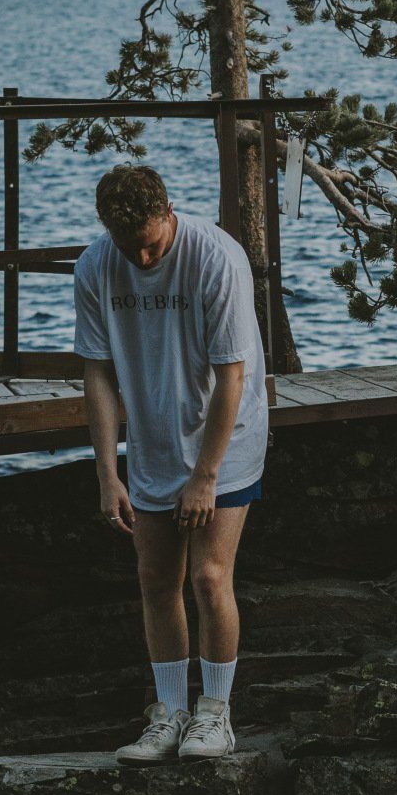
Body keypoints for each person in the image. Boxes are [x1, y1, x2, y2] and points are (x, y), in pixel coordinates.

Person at [75, 162, 269, 764]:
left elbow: (232, 375)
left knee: (209, 577)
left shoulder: (216, 258)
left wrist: (205, 477)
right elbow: (98, 374)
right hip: (154, 439)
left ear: (169, 213)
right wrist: (107, 472)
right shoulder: (96, 266)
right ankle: (169, 714)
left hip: (225, 435)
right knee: (156, 580)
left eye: (151, 244)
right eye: (127, 246)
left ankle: (215, 714)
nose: (142, 258)